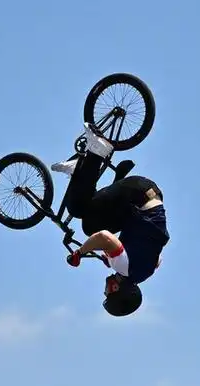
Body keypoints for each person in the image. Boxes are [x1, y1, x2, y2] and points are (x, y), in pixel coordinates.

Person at [51, 124, 170, 317]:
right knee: (81, 213)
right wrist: (79, 253)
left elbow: (157, 259)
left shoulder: (142, 273)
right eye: (106, 294)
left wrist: (112, 255)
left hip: (144, 198)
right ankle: (97, 151)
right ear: (115, 289)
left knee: (91, 220)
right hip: (137, 195)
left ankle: (81, 174)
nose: (104, 291)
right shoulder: (123, 267)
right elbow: (104, 237)